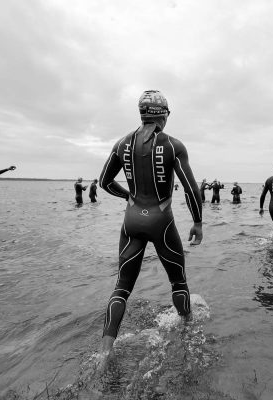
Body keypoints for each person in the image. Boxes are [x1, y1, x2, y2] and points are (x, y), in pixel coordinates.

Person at [98, 90, 203, 357]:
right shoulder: (172, 146)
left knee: (122, 286)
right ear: (163, 116)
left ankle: (105, 353)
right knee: (178, 283)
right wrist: (198, 222)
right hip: (161, 221)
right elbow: (191, 189)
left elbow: (104, 182)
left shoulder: (121, 144)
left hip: (132, 219)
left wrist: (129, 196)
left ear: (142, 114)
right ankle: (187, 333)